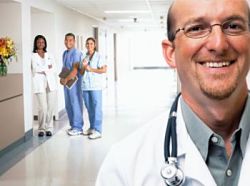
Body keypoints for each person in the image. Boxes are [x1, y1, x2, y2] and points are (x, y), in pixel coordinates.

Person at [96, 0, 250, 185]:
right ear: (170, 53)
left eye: (233, 26)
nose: (218, 44)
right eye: (196, 28)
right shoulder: (125, 166)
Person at [80, 37, 107, 139]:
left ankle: (98, 130)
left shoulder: (99, 56)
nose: (89, 45)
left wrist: (90, 69)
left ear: (94, 45)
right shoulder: (84, 57)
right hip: (86, 86)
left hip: (95, 86)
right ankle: (92, 127)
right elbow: (81, 72)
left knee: (97, 108)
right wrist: (83, 67)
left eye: (91, 43)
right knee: (89, 108)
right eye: (87, 44)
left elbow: (104, 70)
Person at [31, 35, 57, 137]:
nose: (41, 44)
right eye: (39, 42)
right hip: (39, 82)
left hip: (51, 82)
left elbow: (54, 68)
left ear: (45, 43)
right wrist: (47, 68)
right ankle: (41, 128)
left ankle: (49, 128)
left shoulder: (49, 54)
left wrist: (42, 68)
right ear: (36, 44)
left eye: (42, 42)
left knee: (50, 107)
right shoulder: (33, 55)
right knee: (42, 107)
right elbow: (34, 69)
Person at [60, 33, 84, 136]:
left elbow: (74, 70)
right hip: (67, 83)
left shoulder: (76, 53)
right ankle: (73, 125)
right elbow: (65, 68)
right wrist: (62, 78)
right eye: (66, 40)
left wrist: (66, 79)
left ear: (74, 41)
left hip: (75, 82)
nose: (68, 42)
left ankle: (78, 127)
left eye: (70, 40)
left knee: (76, 103)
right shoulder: (65, 53)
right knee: (68, 104)